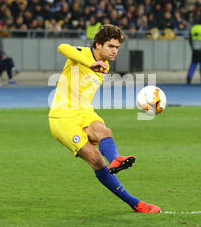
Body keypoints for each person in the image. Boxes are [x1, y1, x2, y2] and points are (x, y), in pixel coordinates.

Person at [48, 24, 161, 213]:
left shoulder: (105, 65)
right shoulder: (83, 54)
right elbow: (62, 47)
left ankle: (116, 159)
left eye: (117, 47)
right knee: (97, 161)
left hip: (84, 112)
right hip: (62, 117)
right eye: (111, 46)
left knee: (104, 131)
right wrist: (88, 63)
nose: (115, 51)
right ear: (98, 45)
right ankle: (135, 202)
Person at [187, 18, 201, 84]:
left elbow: (190, 40)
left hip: (195, 49)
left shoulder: (193, 28)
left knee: (193, 63)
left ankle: (189, 76)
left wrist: (192, 47)